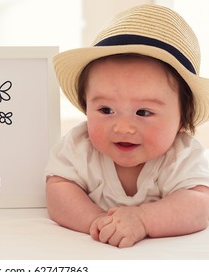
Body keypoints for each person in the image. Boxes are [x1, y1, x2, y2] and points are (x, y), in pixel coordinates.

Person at [45, 4, 209, 248]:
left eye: (143, 112)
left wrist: (144, 219)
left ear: (182, 120)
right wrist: (97, 221)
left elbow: (200, 203)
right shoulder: (80, 146)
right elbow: (57, 189)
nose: (123, 127)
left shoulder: (182, 155)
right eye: (105, 110)